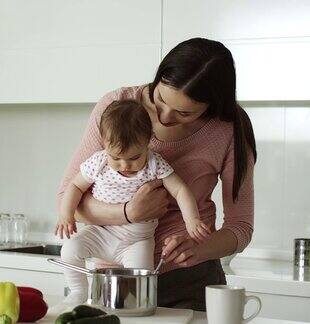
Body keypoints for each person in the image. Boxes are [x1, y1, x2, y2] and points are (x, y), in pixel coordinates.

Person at [57, 38, 257, 311]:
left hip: (190, 283)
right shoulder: (117, 105)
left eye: (184, 112)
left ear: (212, 105)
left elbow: (241, 227)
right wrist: (129, 213)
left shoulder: (229, 130)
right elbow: (68, 198)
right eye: (159, 98)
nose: (163, 117)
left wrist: (199, 247)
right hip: (111, 281)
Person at [55, 99, 211, 304]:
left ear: (148, 141)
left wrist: (192, 220)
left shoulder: (155, 163)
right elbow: (74, 187)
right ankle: (78, 291)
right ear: (104, 144)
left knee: (138, 290)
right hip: (101, 233)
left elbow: (180, 190)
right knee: (69, 249)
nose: (125, 165)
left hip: (137, 242)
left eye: (134, 157)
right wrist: (66, 215)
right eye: (116, 157)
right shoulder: (98, 162)